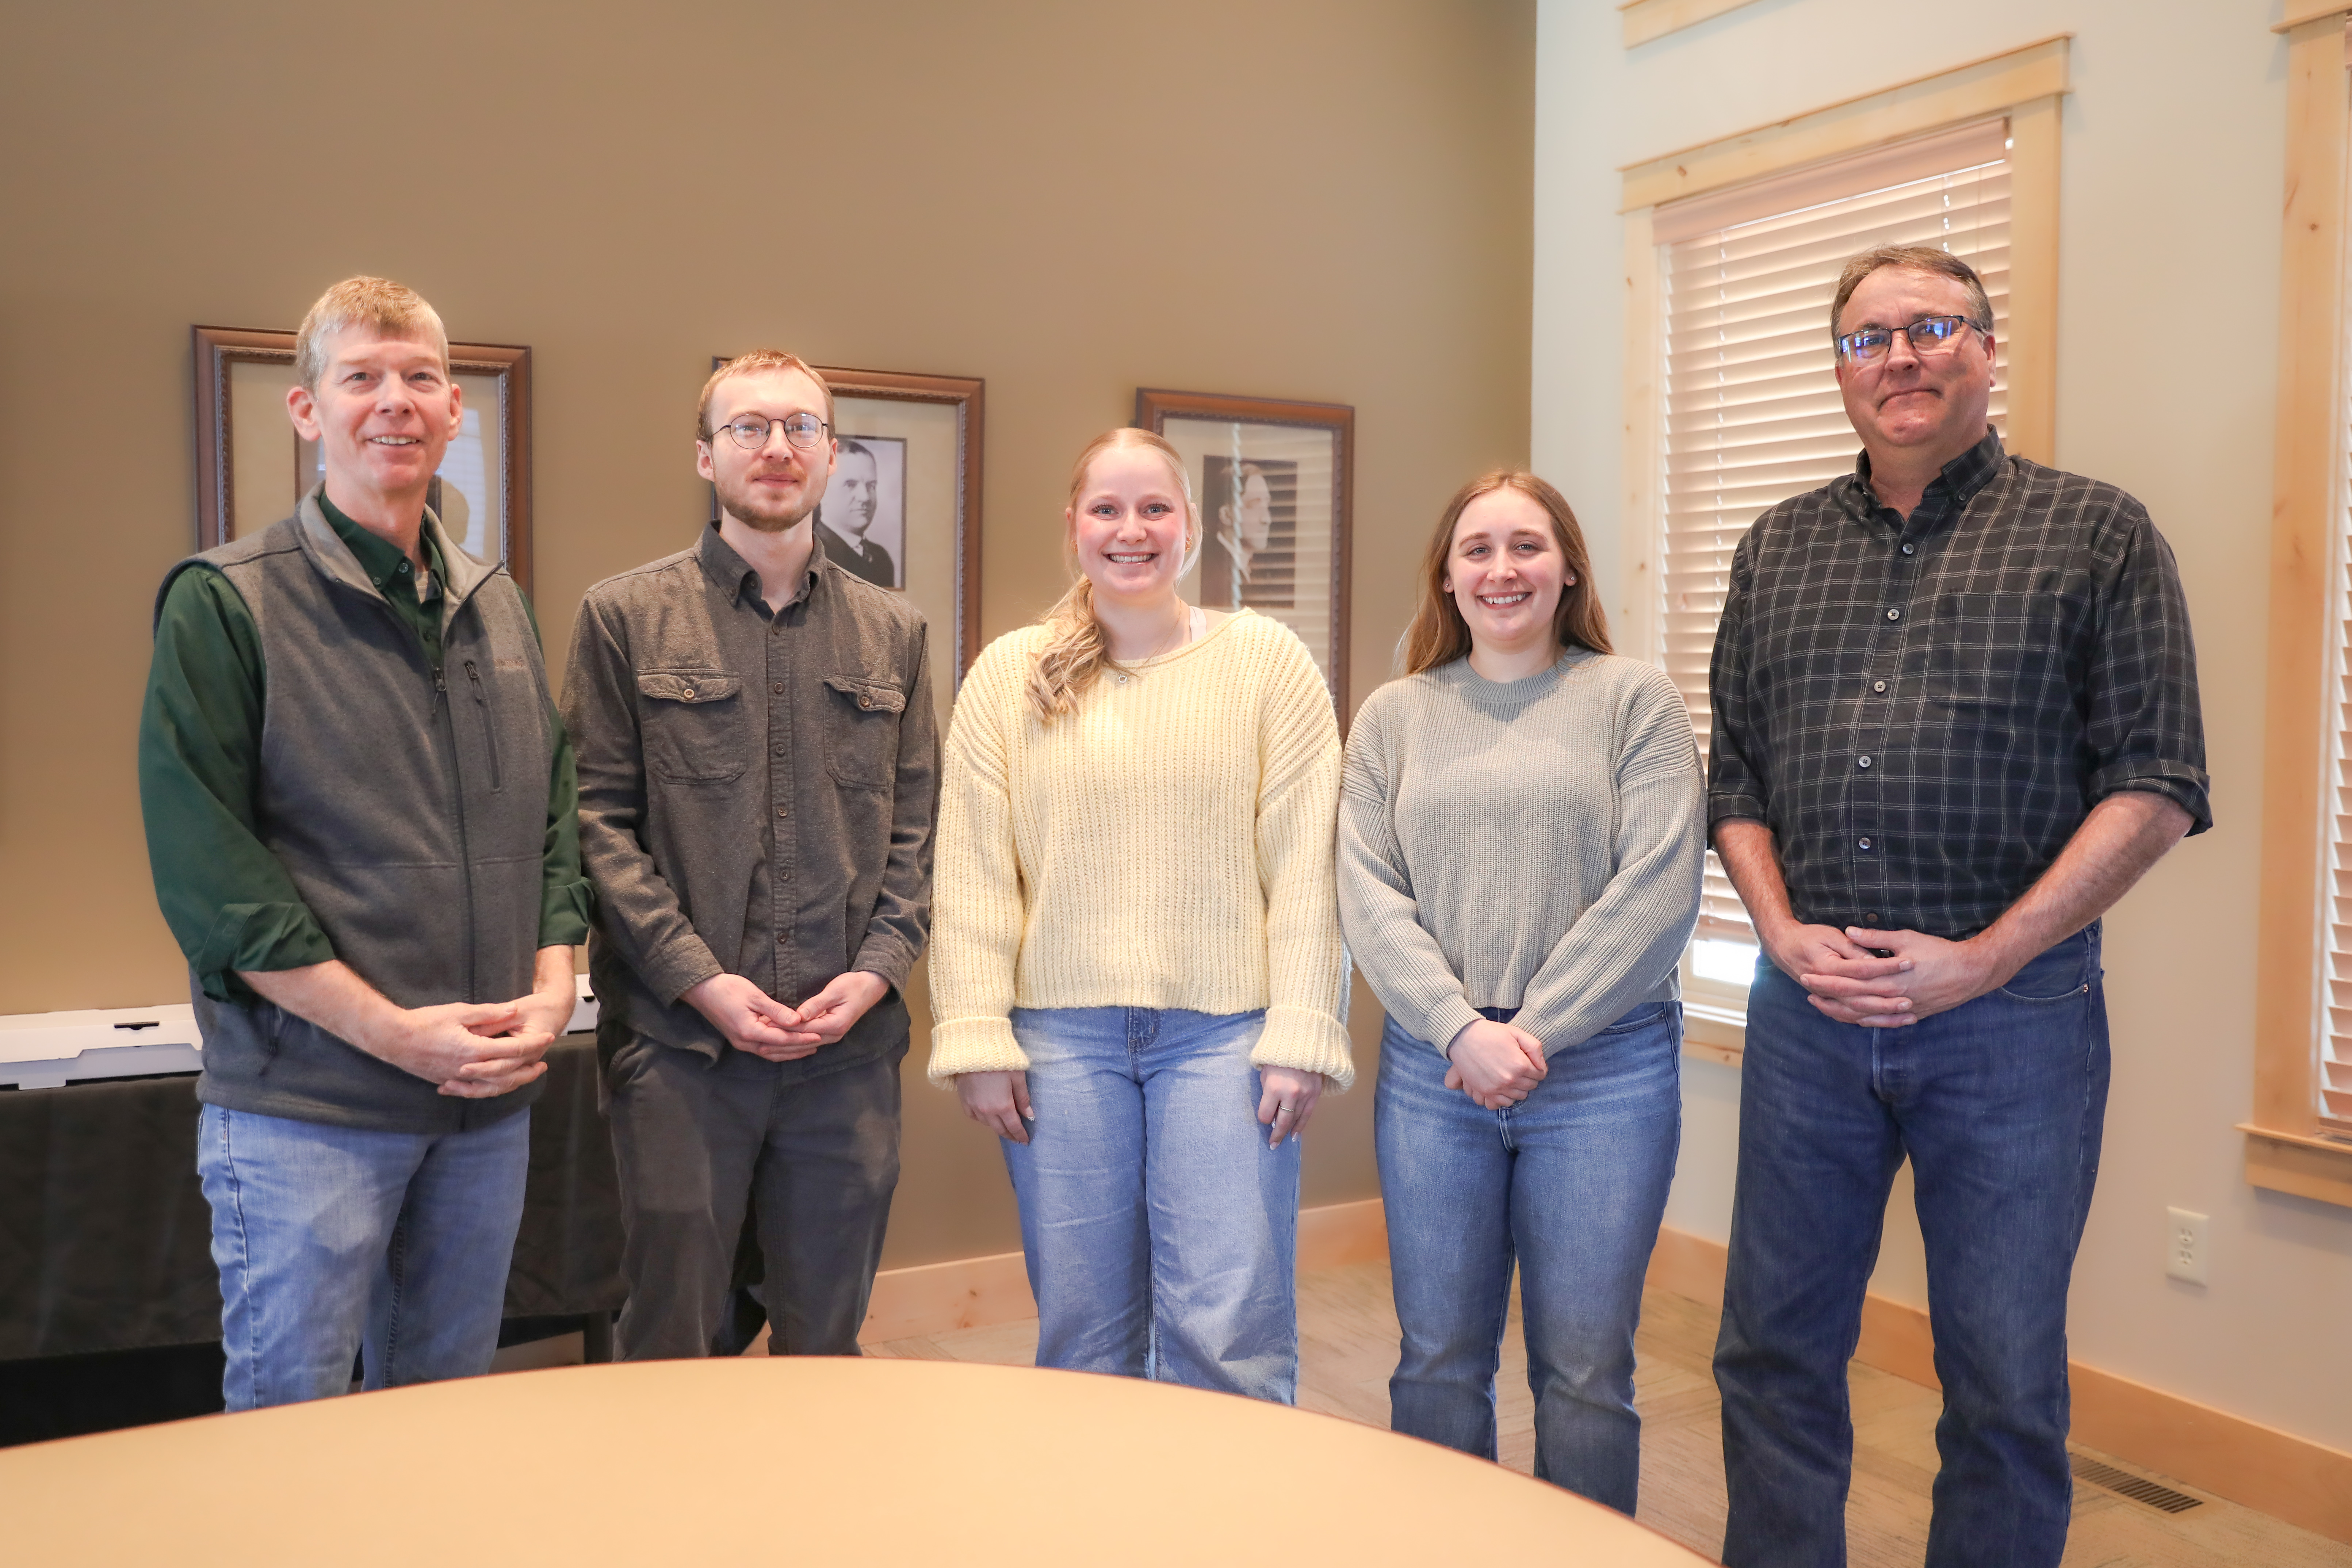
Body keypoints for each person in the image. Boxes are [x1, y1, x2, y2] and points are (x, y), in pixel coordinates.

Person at [1706, 245, 2209, 1567]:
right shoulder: (1777, 549)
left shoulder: (2094, 533)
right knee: (1768, 1352)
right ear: (1838, 371)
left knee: (1998, 1385)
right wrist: (1774, 927)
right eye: (1868, 339)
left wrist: (1986, 956)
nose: (1901, 358)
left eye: (1931, 328)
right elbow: (1737, 780)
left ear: (1988, 351)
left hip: (2011, 1026)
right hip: (1809, 1015)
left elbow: (2156, 783)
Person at [138, 276, 589, 1410]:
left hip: (483, 1106)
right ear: (307, 412)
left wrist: (553, 984)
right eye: (362, 377)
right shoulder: (224, 603)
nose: (394, 401)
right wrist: (393, 1035)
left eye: (421, 379)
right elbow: (216, 880)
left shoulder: (499, 603)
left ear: (454, 415)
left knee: (445, 1419)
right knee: (290, 1425)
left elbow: (550, 818)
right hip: (310, 1118)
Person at [928, 426, 1350, 1402]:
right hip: (1059, 1043)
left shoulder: (1265, 660)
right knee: (1084, 1334)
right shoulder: (1013, 673)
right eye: (1107, 509)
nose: (1132, 530)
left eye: (1155, 507)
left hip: (1229, 1036)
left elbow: (1308, 865)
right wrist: (976, 1030)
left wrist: (1304, 1025)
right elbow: (975, 868)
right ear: (1073, 527)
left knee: (1228, 1330)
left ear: (1192, 527)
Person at [1338, 471, 1702, 1512]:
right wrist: (1460, 1027)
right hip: (1433, 1068)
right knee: (1438, 1360)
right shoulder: (1395, 716)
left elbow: (1660, 885)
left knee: (1587, 1372)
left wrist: (1529, 1031)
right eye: (1478, 549)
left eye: (1527, 547)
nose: (1503, 569)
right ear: (1447, 578)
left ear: (1569, 567)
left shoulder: (1634, 699)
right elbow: (1366, 892)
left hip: (1604, 1069)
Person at [564, 351, 938, 1361]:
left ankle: (804, 1519)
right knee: (676, 1337)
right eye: (748, 427)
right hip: (684, 1053)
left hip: (846, 1052)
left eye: (801, 427)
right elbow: (598, 827)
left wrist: (872, 976)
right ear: (704, 454)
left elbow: (916, 832)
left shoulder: (896, 632)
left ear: (830, 455)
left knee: (826, 1340)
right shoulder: (622, 617)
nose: (776, 447)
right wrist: (703, 983)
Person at [816, 439, 897, 587]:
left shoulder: (881, 558)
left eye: (871, 486)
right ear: (822, 491)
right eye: (851, 485)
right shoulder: (812, 554)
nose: (865, 497)